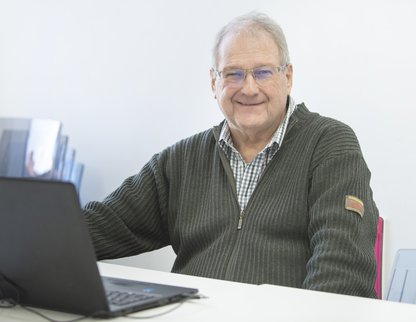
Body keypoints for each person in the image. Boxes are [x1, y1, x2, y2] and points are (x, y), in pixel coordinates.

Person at [83, 12, 379, 298]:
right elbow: (100, 227)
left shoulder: (330, 145)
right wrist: (39, 233)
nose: (249, 88)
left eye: (263, 72)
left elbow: (341, 269)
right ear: (214, 83)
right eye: (233, 74)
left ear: (287, 76)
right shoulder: (181, 161)